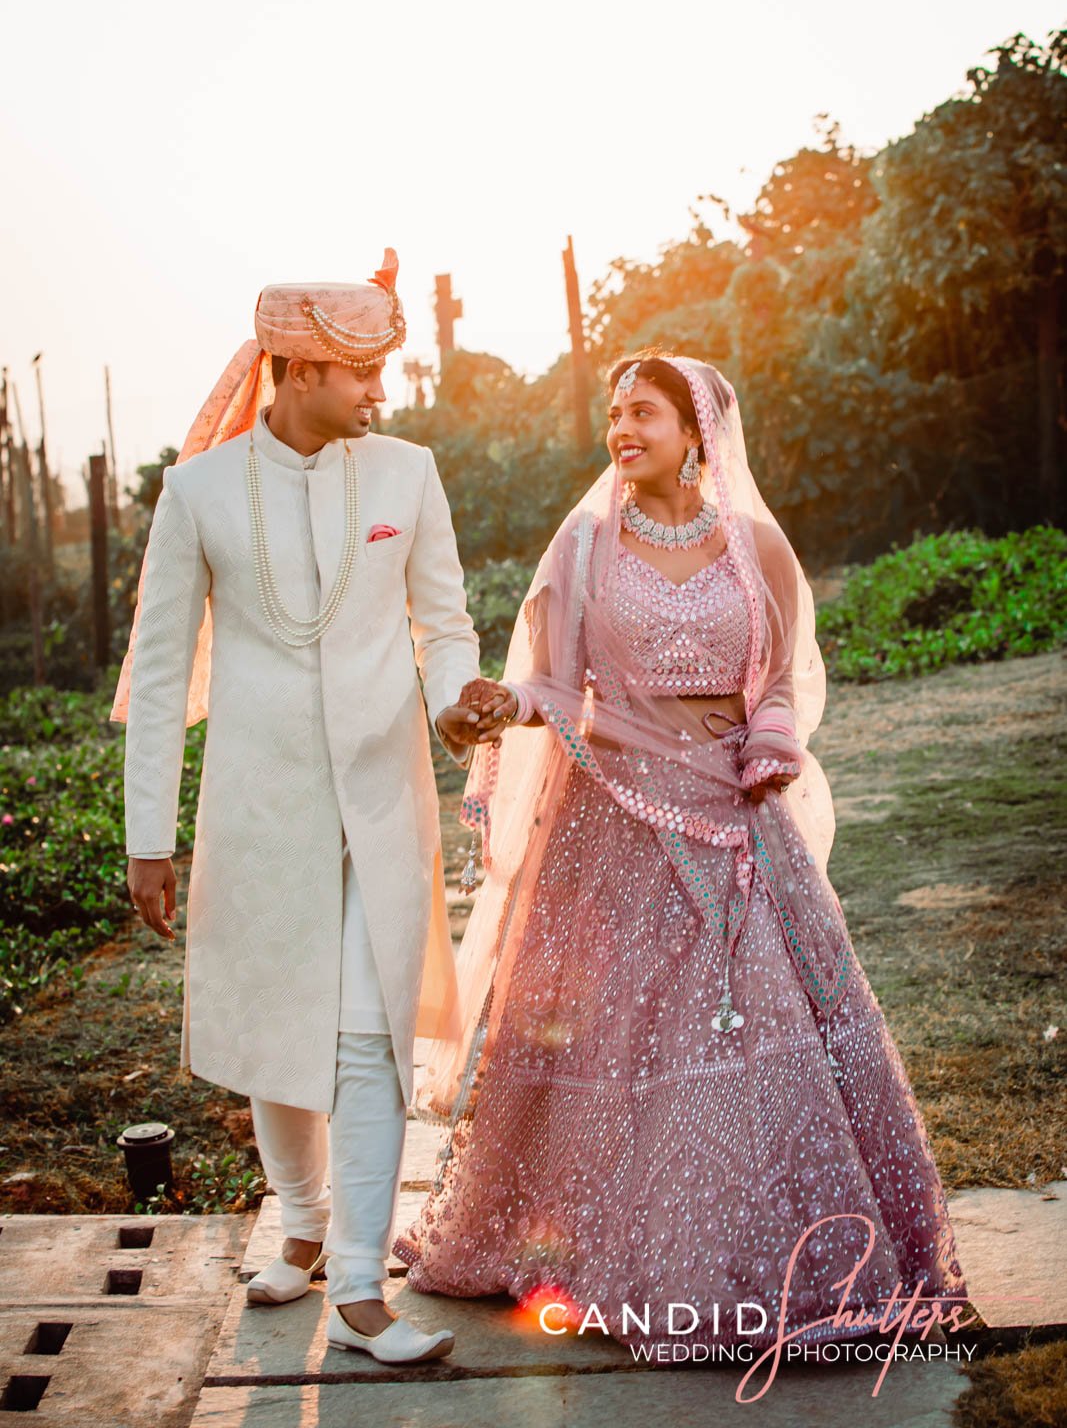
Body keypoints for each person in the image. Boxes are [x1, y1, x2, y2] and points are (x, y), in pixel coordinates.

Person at [392, 348, 969, 1354]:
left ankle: (761, 1258)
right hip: (611, 822)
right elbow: (558, 688)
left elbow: (777, 677)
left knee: (745, 1027)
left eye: (643, 411)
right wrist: (503, 705)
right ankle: (622, 1253)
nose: (621, 428)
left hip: (736, 814)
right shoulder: (583, 548)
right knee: (623, 1034)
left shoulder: (753, 548)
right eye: (613, 412)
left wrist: (773, 744)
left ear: (695, 430)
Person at [113, 251, 483, 1364]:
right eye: (362, 373)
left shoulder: (409, 474)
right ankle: (306, 1226)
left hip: (381, 798)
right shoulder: (200, 491)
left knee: (367, 1039)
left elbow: (445, 621)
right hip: (257, 811)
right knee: (281, 1035)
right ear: (299, 367)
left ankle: (364, 1293)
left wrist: (459, 702)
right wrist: (148, 838)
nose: (382, 393)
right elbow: (163, 664)